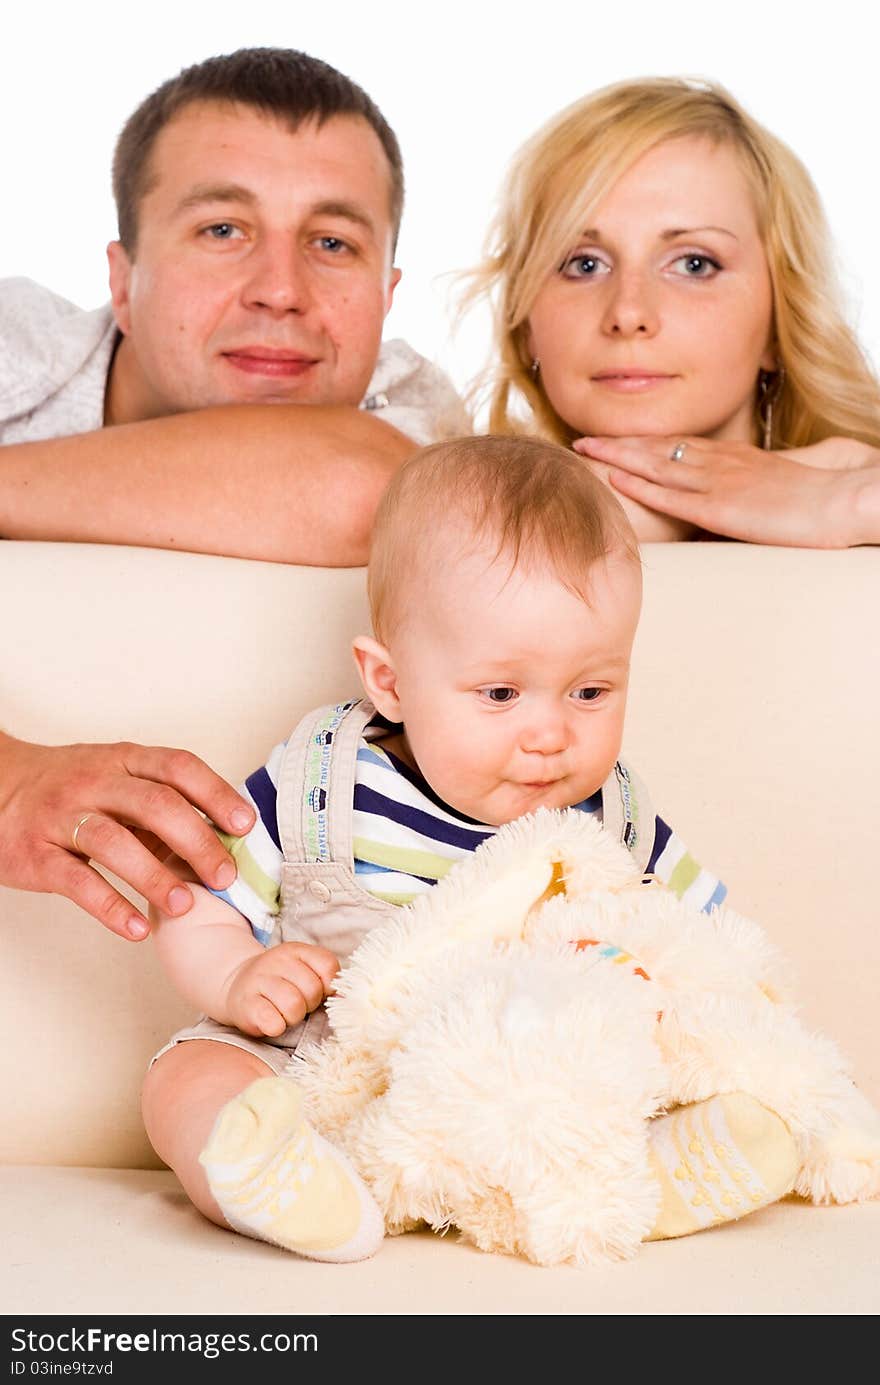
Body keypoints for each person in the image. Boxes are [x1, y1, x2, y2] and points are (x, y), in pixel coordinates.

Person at [142, 434, 799, 1262]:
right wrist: (237, 976)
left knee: (652, 1076)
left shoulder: (613, 818)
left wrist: (678, 1004)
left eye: (591, 691)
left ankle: (654, 1181)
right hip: (324, 1073)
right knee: (189, 1077)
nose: (552, 733)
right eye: (500, 693)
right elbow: (194, 901)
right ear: (390, 681)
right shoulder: (322, 782)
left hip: (528, 1102)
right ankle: (271, 1176)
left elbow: (712, 947)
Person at [0, 47, 469, 939]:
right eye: (223, 230)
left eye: (332, 244)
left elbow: (359, 488)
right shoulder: (15, 354)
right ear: (121, 282)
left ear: (387, 293)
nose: (282, 290)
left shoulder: (413, 414)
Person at [465, 76, 880, 546]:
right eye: (583, 264)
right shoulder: (433, 493)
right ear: (526, 327)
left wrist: (849, 496)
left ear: (780, 320)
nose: (627, 312)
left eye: (694, 264)